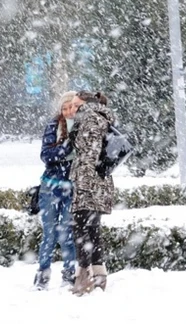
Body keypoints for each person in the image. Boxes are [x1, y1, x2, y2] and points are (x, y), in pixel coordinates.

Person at [68, 90, 115, 296]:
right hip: (96, 182)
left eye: (76, 105)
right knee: (91, 229)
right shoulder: (96, 118)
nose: (72, 109)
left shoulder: (90, 119)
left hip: (90, 184)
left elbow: (90, 153)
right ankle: (97, 275)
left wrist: (83, 184)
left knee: (81, 230)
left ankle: (84, 276)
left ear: (86, 104)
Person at [33, 90, 77, 290]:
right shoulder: (53, 125)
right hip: (50, 187)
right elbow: (46, 155)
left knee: (67, 234)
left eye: (71, 108)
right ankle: (42, 276)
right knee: (49, 233)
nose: (68, 112)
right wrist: (65, 148)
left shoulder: (82, 128)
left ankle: (69, 275)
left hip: (72, 188)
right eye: (65, 108)